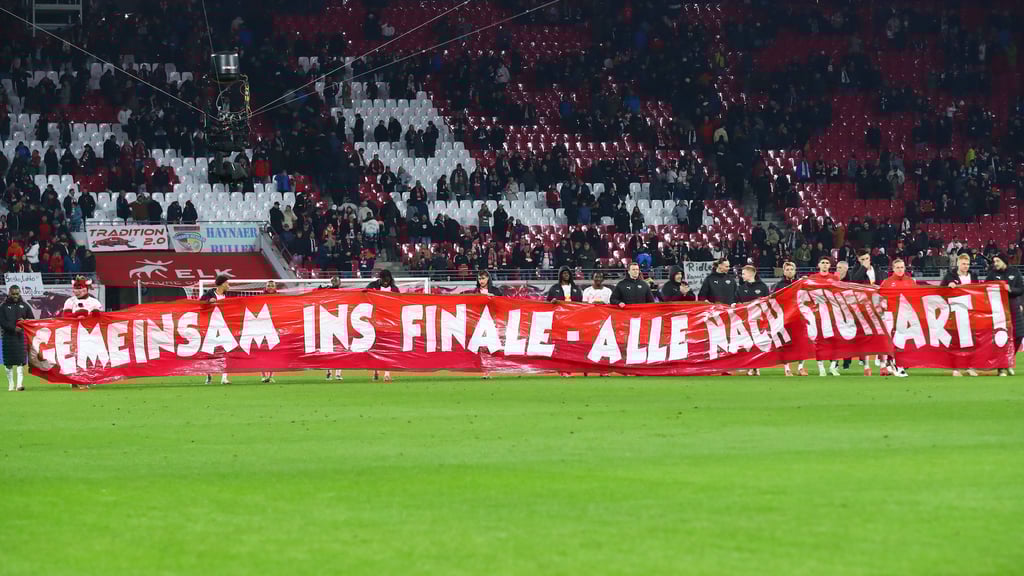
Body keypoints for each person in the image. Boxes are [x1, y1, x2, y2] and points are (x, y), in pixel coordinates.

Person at [940, 254, 980, 376]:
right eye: (963, 264)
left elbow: (978, 291)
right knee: (956, 341)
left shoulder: (973, 276)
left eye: (967, 264)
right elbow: (940, 291)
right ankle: (956, 368)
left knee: (971, 341)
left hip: (970, 312)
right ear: (958, 263)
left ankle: (969, 366)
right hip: (955, 312)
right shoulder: (949, 276)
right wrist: (948, 286)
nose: (965, 266)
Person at [985, 253, 1024, 376]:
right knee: (1000, 337)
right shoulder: (992, 274)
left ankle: (1008, 361)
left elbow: (1021, 289)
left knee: (1019, 334)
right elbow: (985, 288)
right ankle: (1001, 367)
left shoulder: (1015, 272)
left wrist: (1010, 289)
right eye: (994, 261)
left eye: (997, 261)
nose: (995, 263)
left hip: (1013, 307)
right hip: (998, 309)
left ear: (1004, 261)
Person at [848, 249, 882, 375]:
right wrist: (863, 268)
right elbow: (854, 281)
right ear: (858, 260)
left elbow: (881, 283)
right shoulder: (855, 270)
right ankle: (867, 366)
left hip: (877, 305)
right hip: (862, 306)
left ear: (870, 258)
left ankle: (882, 364)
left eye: (867, 259)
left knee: (880, 334)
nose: (865, 261)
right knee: (866, 336)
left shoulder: (877, 269)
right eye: (862, 259)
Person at [879, 258, 914, 377]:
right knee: (889, 339)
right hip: (890, 314)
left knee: (901, 339)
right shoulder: (887, 282)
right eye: (897, 267)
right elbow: (880, 298)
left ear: (905, 268)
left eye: (902, 267)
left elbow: (916, 297)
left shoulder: (910, 281)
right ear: (893, 269)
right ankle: (893, 363)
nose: (900, 269)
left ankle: (896, 363)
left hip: (904, 314)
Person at [735, 266, 770, 375]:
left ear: (752, 273)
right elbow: (736, 303)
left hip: (759, 321)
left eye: (744, 273)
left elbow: (768, 303)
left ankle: (757, 366)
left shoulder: (763, 287)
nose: (742, 275)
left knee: (758, 344)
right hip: (745, 321)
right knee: (747, 344)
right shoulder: (740, 288)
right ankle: (750, 366)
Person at [812, 257, 843, 377]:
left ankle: (832, 367)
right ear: (818, 264)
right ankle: (821, 368)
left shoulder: (834, 278)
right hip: (818, 314)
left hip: (832, 313)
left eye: (827, 263)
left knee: (835, 340)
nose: (825, 265)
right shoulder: (813, 278)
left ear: (830, 265)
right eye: (823, 262)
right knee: (820, 342)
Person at [367, 270, 400, 382]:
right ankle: (376, 370)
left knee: (388, 348)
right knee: (376, 347)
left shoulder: (394, 289)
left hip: (389, 323)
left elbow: (399, 303)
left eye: (387, 281)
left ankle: (386, 373)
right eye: (384, 281)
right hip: (374, 322)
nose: (386, 283)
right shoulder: (372, 286)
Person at [1, 285, 33, 391]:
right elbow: (2, 322)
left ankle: (19, 385)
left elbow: (31, 320)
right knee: (8, 363)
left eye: (17, 294)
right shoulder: (3, 306)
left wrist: (24, 322)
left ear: (20, 293)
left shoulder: (25, 305)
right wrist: (13, 328)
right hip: (8, 337)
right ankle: (11, 384)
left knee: (20, 362)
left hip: (20, 337)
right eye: (13, 294)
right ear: (9, 293)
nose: (15, 296)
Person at [201, 274, 232, 385]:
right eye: (227, 283)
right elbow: (200, 305)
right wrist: (209, 301)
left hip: (224, 326)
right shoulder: (209, 294)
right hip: (211, 326)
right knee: (210, 351)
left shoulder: (227, 295)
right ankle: (209, 375)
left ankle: (224, 377)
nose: (229, 285)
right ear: (223, 283)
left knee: (227, 349)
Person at [472, 271, 502, 379]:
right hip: (479, 322)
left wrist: (493, 298)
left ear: (488, 279)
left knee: (494, 346)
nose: (481, 281)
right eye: (479, 279)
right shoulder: (475, 292)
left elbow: (503, 303)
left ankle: (492, 368)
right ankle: (486, 370)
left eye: (483, 278)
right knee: (482, 347)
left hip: (493, 322)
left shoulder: (495, 291)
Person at [318, 276, 344, 380]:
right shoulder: (326, 291)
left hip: (340, 322)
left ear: (340, 282)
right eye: (333, 281)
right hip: (327, 322)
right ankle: (328, 371)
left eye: (336, 281)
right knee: (327, 348)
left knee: (340, 348)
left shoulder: (344, 293)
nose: (335, 282)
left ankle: (338, 372)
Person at [261, 281, 278, 383]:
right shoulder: (259, 297)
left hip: (275, 327)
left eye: (272, 285)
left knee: (274, 353)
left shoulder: (280, 297)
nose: (270, 287)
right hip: (262, 327)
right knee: (262, 353)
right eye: (268, 286)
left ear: (275, 287)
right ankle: (263, 376)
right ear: (265, 287)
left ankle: (271, 376)